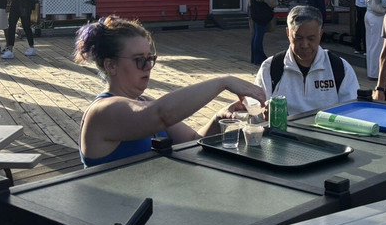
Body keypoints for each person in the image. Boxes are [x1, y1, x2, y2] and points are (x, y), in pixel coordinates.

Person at [76, 16, 265, 167]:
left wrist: (218, 118)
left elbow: (193, 140)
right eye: (139, 60)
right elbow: (162, 114)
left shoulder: (144, 101)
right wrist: (223, 81)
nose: (147, 67)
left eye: (150, 59)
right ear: (111, 65)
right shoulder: (103, 111)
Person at [256, 5, 359, 116]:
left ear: (321, 35)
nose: (305, 45)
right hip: (282, 132)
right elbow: (255, 116)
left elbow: (353, 113)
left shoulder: (340, 68)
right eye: (298, 38)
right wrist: (262, 113)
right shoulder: (270, 68)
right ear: (288, 33)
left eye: (311, 38)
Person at [362, 0, 386, 87]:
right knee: (377, 45)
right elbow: (384, 2)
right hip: (377, 17)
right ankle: (375, 73)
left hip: (367, 14)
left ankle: (370, 71)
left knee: (370, 44)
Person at [248, 0, 278, 65]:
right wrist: (275, 4)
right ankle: (259, 57)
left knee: (256, 35)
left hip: (254, 11)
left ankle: (254, 57)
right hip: (261, 12)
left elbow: (249, 0)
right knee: (259, 35)